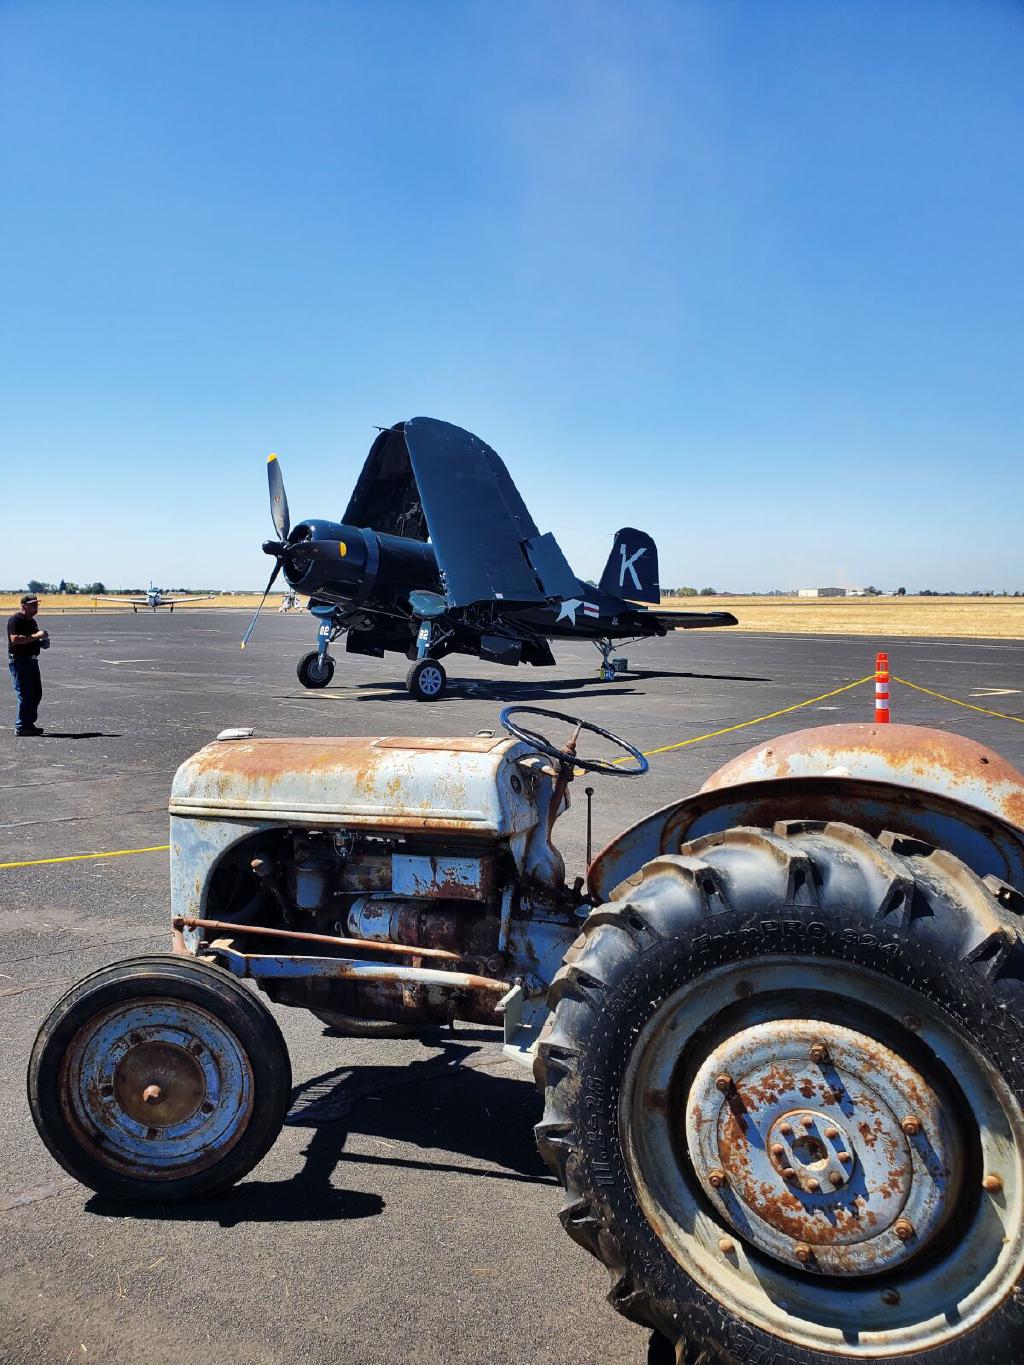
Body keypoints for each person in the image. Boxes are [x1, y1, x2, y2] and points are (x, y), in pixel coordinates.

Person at [7, 593, 48, 736]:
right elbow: (15, 639)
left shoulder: (32, 622)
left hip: (31, 660)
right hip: (19, 661)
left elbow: (32, 638)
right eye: (33, 605)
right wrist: (38, 636)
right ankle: (21, 726)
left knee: (36, 693)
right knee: (25, 694)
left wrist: (41, 642)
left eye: (37, 604)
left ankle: (28, 724)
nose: (36, 607)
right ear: (24, 606)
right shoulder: (15, 619)